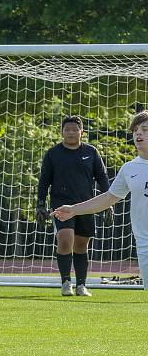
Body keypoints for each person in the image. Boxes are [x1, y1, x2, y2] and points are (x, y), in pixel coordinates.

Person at [53, 110, 148, 288]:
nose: (139, 133)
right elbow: (107, 198)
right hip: (144, 245)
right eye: (135, 130)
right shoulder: (129, 168)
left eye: (144, 129)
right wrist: (74, 209)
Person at [36, 116, 111, 297]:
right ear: (61, 132)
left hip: (86, 205)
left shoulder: (91, 152)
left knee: (81, 245)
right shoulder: (53, 153)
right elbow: (44, 181)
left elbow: (102, 177)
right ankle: (65, 282)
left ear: (82, 132)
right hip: (60, 204)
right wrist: (40, 204)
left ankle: (81, 285)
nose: (70, 132)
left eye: (74, 129)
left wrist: (108, 202)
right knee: (65, 239)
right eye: (67, 129)